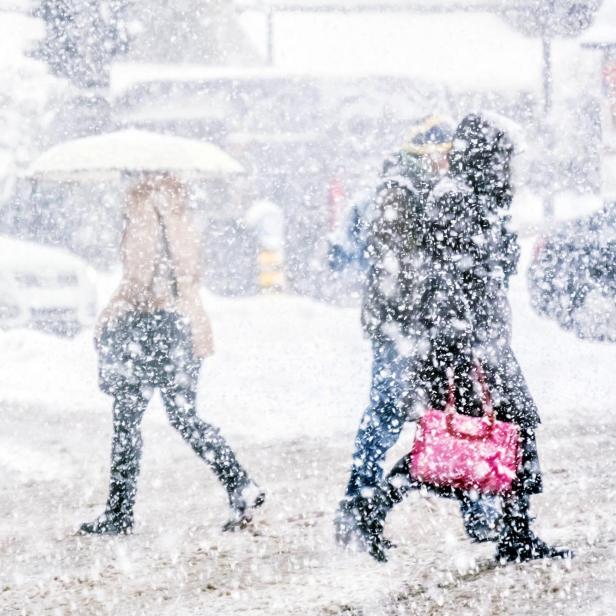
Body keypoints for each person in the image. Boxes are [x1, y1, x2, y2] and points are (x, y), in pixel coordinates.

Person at [351, 114, 573, 564]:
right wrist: (460, 345)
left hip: (480, 342)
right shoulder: (456, 201)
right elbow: (450, 279)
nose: (511, 171)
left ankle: (515, 532)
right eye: (505, 160)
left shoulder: (476, 200)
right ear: (486, 159)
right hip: (465, 347)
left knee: (497, 433)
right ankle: (374, 510)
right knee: (459, 440)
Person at [335, 116, 501, 550]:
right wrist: (425, 307)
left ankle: (479, 510)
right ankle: (358, 507)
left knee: (460, 413)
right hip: (403, 328)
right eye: (444, 152)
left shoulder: (430, 191)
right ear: (425, 153)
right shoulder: (400, 191)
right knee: (389, 414)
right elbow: (397, 267)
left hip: (425, 326)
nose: (450, 161)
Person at [80, 175, 264, 535]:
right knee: (184, 416)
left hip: (150, 329)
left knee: (127, 420)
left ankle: (119, 513)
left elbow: (140, 278)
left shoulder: (143, 209)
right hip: (185, 325)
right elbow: (188, 272)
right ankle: (239, 483)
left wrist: (112, 310)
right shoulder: (180, 212)